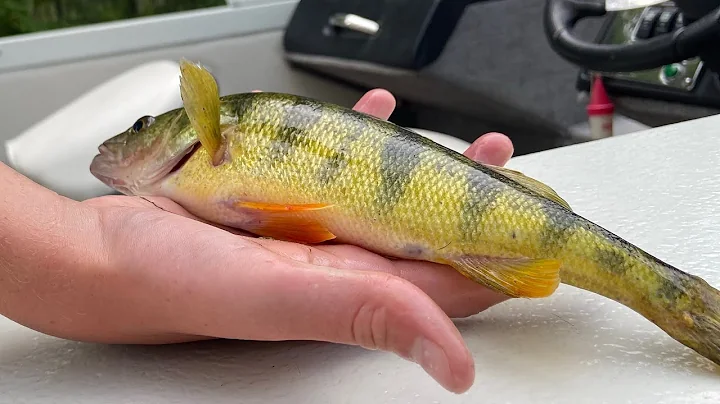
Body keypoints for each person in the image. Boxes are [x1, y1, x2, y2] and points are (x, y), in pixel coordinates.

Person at [0, 89, 514, 394]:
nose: (125, 141)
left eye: (142, 127)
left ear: (198, 128)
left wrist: (92, 248)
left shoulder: (209, 142)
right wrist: (93, 250)